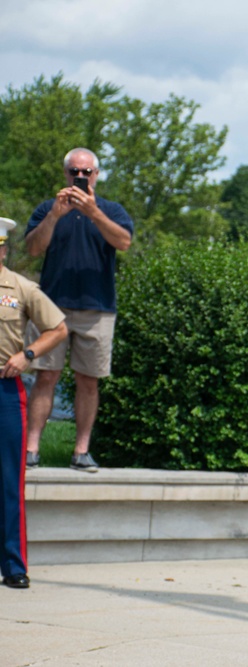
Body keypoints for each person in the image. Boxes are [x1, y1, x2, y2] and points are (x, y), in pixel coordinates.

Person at [23, 148, 133, 472]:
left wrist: (94, 213)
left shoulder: (111, 210)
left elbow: (124, 242)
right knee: (46, 377)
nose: (80, 178)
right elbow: (32, 248)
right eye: (74, 172)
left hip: (96, 308)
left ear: (96, 175)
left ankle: (81, 452)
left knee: (89, 381)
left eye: (86, 173)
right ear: (65, 174)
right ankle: (31, 451)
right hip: (51, 308)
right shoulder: (48, 208)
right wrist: (56, 215)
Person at [0, 217, 68, 588]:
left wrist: (27, 354)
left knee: (9, 480)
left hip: (4, 391)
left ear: (4, 249)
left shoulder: (22, 288)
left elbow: (59, 329)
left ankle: (13, 566)